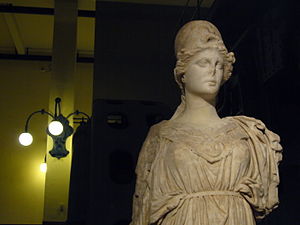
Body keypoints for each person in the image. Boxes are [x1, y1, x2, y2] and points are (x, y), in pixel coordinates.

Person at [130, 20, 282, 225]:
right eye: (203, 63)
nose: (213, 71)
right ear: (182, 73)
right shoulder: (161, 135)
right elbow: (143, 209)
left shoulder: (249, 131)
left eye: (218, 64)